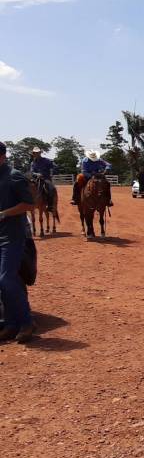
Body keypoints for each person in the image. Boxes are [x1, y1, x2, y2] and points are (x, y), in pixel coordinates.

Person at [0, 142, 36, 343]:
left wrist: (4, 213)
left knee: (6, 279)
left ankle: (27, 322)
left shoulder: (15, 176)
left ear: (2, 156)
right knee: (2, 281)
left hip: (13, 237)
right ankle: (11, 324)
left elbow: (29, 205)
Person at [29, 147, 57, 212]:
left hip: (46, 178)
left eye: (37, 153)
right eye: (35, 153)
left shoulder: (47, 160)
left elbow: (54, 167)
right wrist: (37, 174)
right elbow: (32, 172)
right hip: (36, 179)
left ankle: (50, 205)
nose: (36, 154)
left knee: (51, 188)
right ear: (33, 154)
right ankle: (28, 202)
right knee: (28, 187)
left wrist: (51, 173)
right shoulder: (32, 163)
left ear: (40, 153)